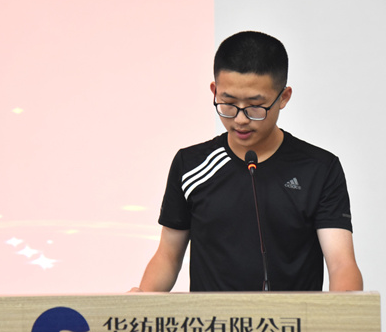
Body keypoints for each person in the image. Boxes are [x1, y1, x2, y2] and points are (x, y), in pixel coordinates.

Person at [132, 30, 362, 295]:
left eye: (255, 106)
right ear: (214, 91)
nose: (240, 119)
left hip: (295, 320)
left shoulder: (319, 169)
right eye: (228, 103)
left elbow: (341, 264)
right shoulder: (190, 165)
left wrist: (345, 312)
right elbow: (168, 256)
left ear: (283, 97)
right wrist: (141, 303)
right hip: (212, 321)